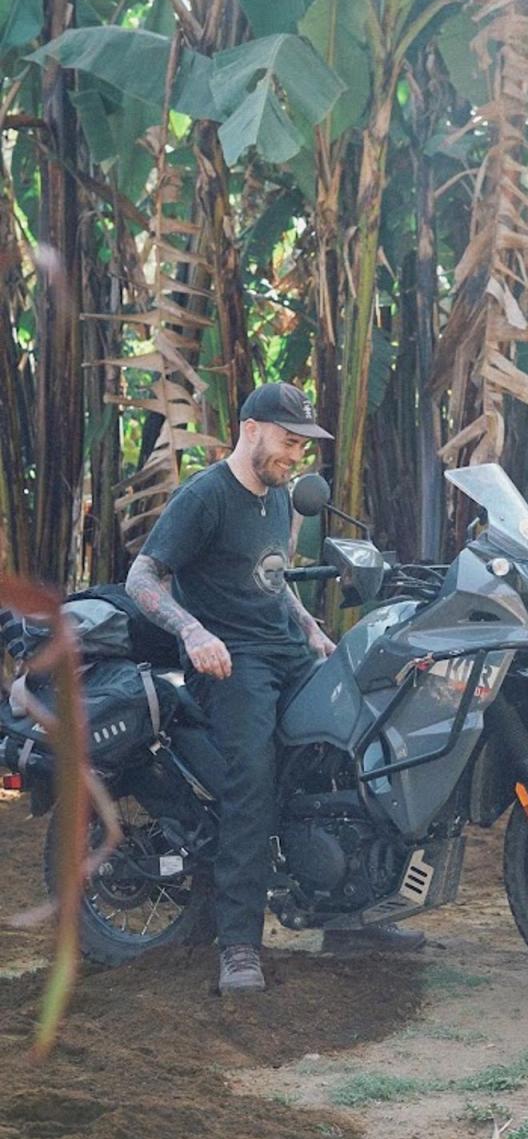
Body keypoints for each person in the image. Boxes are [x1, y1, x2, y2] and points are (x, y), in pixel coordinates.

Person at [126, 381, 425, 993]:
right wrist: (193, 632)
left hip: (287, 652)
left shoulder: (281, 495)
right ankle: (238, 946)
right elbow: (142, 576)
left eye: (303, 446)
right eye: (290, 442)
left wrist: (313, 629)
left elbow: (271, 577)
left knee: (344, 756)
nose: (297, 456)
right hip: (233, 666)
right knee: (252, 785)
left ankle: (350, 914)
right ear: (253, 429)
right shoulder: (205, 496)